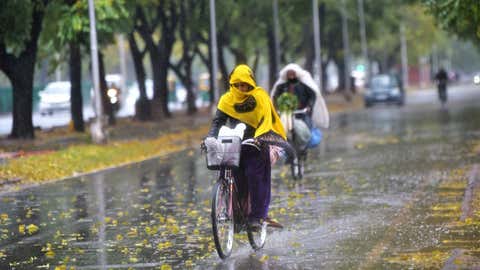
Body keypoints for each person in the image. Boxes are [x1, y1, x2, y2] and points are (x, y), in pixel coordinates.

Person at [205, 64, 291, 229]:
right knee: (228, 171)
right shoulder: (226, 100)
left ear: (251, 83)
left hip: (256, 143)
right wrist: (210, 138)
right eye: (236, 85)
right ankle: (235, 214)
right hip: (234, 143)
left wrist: (259, 138)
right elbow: (218, 122)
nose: (240, 88)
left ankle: (257, 216)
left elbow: (265, 122)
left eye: (244, 84)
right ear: (231, 84)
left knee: (254, 174)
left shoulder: (260, 97)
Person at [271, 63, 330, 131]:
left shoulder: (303, 85)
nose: (291, 75)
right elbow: (275, 96)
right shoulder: (282, 86)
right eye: (289, 73)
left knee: (306, 129)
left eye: (292, 73)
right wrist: (276, 107)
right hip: (286, 114)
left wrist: (309, 106)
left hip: (302, 112)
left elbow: (312, 95)